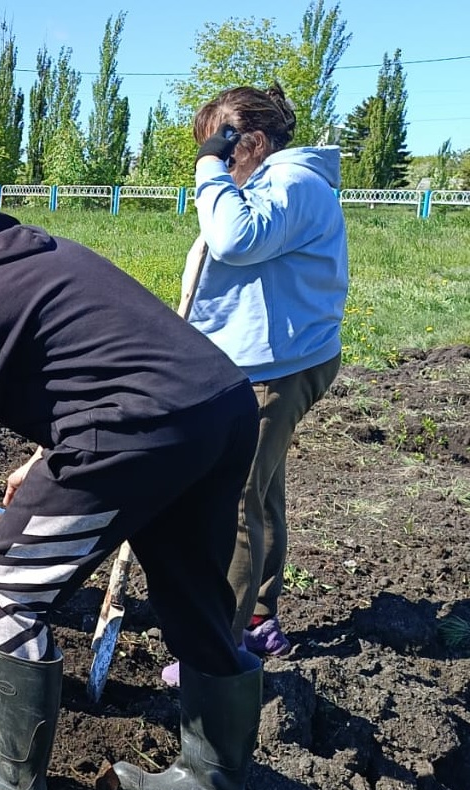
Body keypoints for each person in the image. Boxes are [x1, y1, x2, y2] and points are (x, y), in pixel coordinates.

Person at [0, 200, 262, 790]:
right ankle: (213, 778)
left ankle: (10, 769)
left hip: (135, 429)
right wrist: (46, 455)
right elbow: (94, 361)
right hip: (219, 409)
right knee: (191, 586)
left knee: (5, 580)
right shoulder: (22, 254)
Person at [162, 84, 349, 682]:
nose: (217, 161)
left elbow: (233, 241)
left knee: (236, 501)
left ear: (256, 142)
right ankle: (258, 616)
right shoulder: (275, 186)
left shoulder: (293, 184)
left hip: (278, 368)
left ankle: (217, 652)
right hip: (269, 361)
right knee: (263, 490)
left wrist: (206, 172)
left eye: (225, 148)